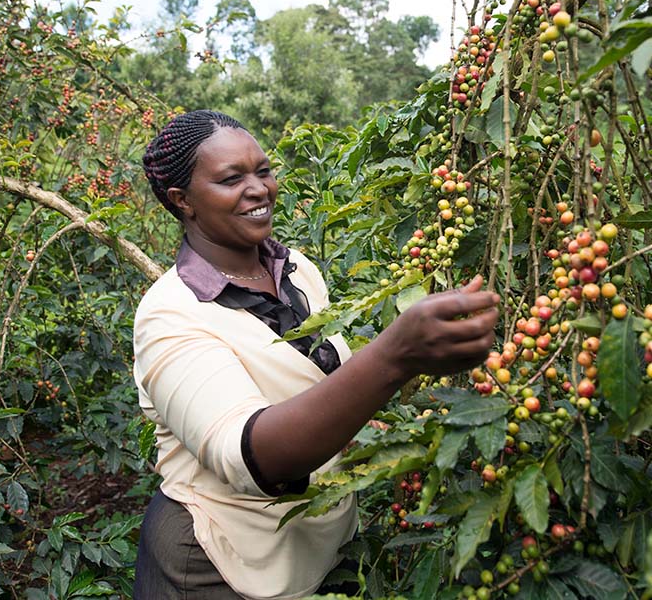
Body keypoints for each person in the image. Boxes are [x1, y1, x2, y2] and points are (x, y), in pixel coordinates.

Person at [133, 109, 500, 600]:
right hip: (216, 563)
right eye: (231, 179)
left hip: (321, 548)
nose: (259, 188)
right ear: (184, 201)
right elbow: (251, 457)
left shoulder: (297, 268)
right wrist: (395, 355)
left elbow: (319, 385)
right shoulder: (170, 314)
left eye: (263, 170)